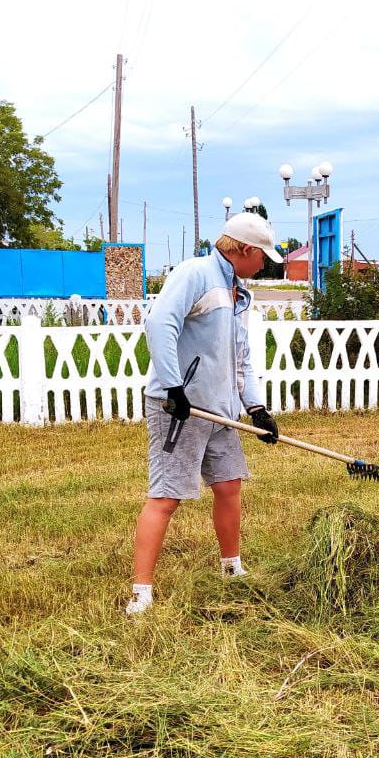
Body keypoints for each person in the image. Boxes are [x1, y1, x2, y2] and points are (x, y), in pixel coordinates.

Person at [127, 212, 284, 615]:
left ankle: (231, 567)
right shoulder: (196, 273)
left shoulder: (238, 293)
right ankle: (141, 593)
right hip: (179, 407)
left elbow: (240, 357)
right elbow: (160, 322)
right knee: (166, 496)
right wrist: (173, 385)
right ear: (244, 249)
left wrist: (256, 407)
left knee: (230, 484)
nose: (264, 265)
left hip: (221, 411)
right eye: (262, 257)